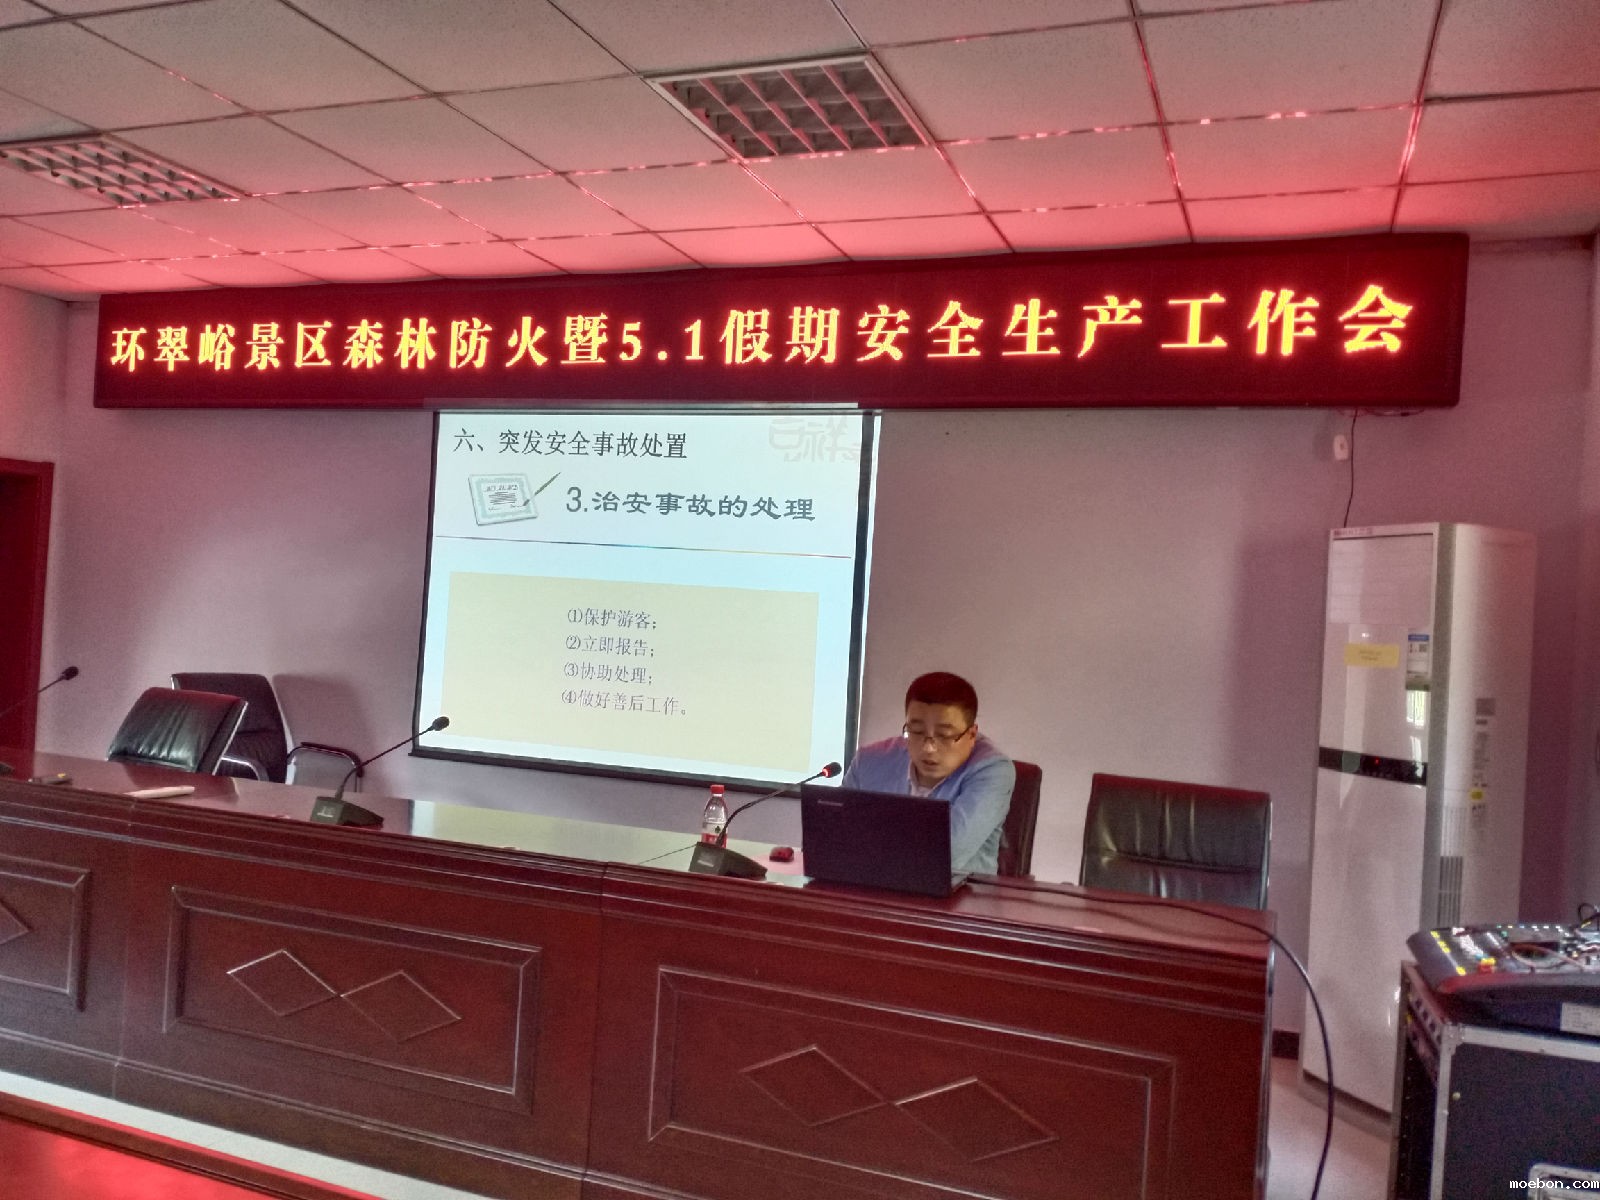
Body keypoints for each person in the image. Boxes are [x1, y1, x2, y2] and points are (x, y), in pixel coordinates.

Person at [842, 671, 1016, 877]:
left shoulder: (992, 771)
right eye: (916, 731)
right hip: (868, 888)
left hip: (959, 894)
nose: (928, 748)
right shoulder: (869, 761)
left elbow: (944, 856)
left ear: (971, 735)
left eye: (944, 735)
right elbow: (836, 837)